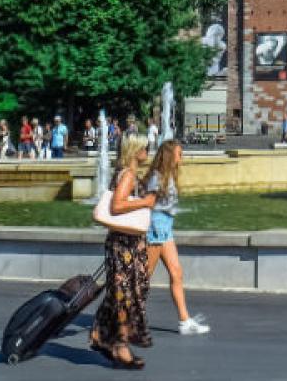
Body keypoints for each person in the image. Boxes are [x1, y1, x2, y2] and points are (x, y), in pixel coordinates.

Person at [90, 133, 156, 369]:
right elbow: (117, 206)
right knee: (125, 297)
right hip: (124, 248)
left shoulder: (124, 173)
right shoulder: (127, 175)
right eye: (145, 148)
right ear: (136, 149)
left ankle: (100, 334)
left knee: (122, 294)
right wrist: (146, 202)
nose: (148, 151)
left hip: (126, 245)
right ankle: (120, 346)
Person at [144, 140, 210, 335]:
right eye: (179, 154)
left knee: (176, 273)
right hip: (156, 229)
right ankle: (126, 317)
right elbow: (147, 203)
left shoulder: (168, 176)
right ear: (169, 155)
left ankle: (184, 321)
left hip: (166, 229)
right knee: (143, 278)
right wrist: (151, 229)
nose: (181, 159)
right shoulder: (157, 177)